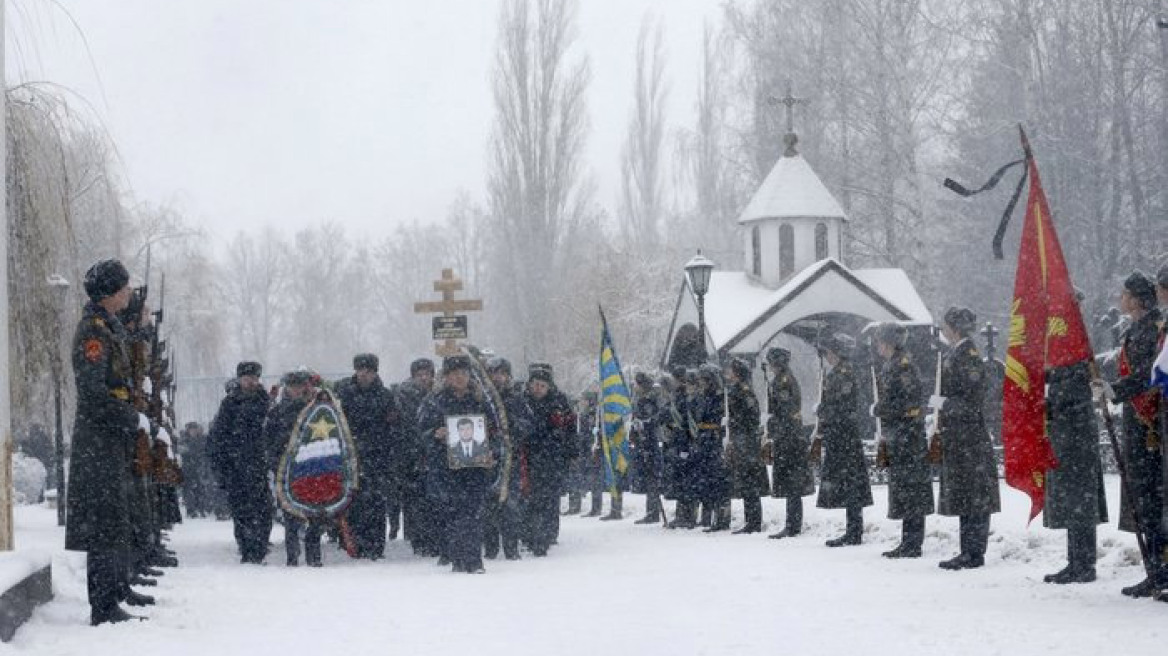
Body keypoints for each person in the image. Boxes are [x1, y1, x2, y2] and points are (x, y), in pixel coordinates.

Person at [65, 259, 146, 626]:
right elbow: (94, 395)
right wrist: (132, 417)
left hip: (110, 439)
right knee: (102, 523)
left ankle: (115, 590)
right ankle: (103, 605)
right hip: (97, 442)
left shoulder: (109, 328)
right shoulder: (93, 333)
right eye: (125, 288)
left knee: (116, 517)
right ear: (111, 292)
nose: (129, 294)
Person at [1104, 271, 1165, 597]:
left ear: (1139, 298)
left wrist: (1117, 390)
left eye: (1126, 294)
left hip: (1150, 423)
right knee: (1144, 500)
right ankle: (1154, 569)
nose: (1121, 298)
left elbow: (1149, 374)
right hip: (1137, 420)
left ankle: (1162, 569)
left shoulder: (1154, 329)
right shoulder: (1137, 329)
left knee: (1154, 499)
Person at [1044, 289, 1108, 584]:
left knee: (1080, 501)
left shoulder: (1077, 342)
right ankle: (1076, 561)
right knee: (1073, 500)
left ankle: (1084, 564)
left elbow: (1075, 386)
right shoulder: (1063, 345)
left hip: (1076, 432)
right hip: (1066, 432)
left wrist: (1050, 389)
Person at [933, 307, 1000, 570]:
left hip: (969, 435)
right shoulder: (956, 353)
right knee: (965, 493)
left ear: (955, 328)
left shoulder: (968, 356)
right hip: (959, 435)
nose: (943, 330)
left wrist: (945, 403)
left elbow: (972, 401)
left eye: (946, 326)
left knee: (974, 495)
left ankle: (974, 553)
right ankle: (967, 550)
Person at [417, 355, 498, 573]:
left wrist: (492, 453)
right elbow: (420, 433)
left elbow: (496, 432)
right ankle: (458, 559)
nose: (459, 378)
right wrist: (435, 435)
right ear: (446, 377)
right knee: (453, 513)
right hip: (446, 468)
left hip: (476, 468)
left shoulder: (482, 400)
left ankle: (474, 559)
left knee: (474, 512)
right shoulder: (434, 401)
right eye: (454, 374)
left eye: (463, 373)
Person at [872, 322, 935, 559]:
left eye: (880, 340)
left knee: (912, 490)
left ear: (888, 342)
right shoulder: (893, 365)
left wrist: (882, 409)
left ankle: (913, 543)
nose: (878, 345)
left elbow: (908, 403)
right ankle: (908, 541)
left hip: (908, 435)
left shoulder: (903, 367)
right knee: (905, 490)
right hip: (900, 435)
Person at [335, 353, 399, 560]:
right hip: (351, 457)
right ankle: (353, 544)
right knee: (352, 503)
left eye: (368, 371)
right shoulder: (344, 394)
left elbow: (394, 428)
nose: (364, 374)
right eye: (360, 370)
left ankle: (375, 546)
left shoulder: (385, 396)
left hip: (377, 458)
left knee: (376, 505)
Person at [208, 361, 273, 564]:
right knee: (241, 510)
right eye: (247, 378)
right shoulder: (229, 404)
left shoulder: (266, 402)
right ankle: (247, 548)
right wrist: (223, 466)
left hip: (260, 465)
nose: (251, 382)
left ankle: (260, 546)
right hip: (236, 467)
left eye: (254, 378)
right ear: (239, 379)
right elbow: (218, 437)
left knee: (263, 509)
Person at [812, 333, 873, 547]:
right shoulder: (838, 372)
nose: (827, 356)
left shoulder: (844, 373)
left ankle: (854, 531)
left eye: (828, 352)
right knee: (848, 484)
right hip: (840, 435)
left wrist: (824, 410)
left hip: (845, 434)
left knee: (851, 484)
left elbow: (844, 406)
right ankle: (852, 529)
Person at [264, 369, 326, 566]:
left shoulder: (316, 410)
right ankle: (292, 555)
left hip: (311, 466)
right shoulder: (276, 412)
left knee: (315, 513)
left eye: (300, 386)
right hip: (287, 468)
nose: (297, 390)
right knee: (290, 513)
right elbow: (269, 441)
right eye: (293, 386)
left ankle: (313, 555)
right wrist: (276, 462)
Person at [523, 363, 578, 554]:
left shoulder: (560, 402)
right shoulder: (522, 402)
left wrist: (572, 452)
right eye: (535, 384)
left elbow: (571, 430)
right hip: (528, 458)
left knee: (549, 499)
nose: (537, 389)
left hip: (552, 458)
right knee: (531, 499)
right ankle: (531, 534)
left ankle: (547, 534)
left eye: (542, 385)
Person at [484, 357, 531, 560]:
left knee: (510, 505)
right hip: (486, 459)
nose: (498, 378)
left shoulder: (516, 399)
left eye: (501, 373)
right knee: (487, 505)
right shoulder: (482, 399)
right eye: (494, 373)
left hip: (510, 458)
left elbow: (528, 425)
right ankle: (491, 547)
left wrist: (511, 425)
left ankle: (511, 547)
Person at [765, 347, 814, 539]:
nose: (769, 366)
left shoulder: (784, 381)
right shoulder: (781, 380)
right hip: (786, 435)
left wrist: (772, 422)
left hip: (789, 436)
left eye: (771, 362)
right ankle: (792, 523)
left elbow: (785, 410)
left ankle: (793, 525)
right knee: (790, 482)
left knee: (792, 483)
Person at [396, 358, 436, 556]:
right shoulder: (403, 396)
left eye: (427, 373)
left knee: (433, 500)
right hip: (411, 455)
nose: (423, 377)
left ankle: (432, 539)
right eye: (419, 374)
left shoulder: (438, 395)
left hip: (433, 454)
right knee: (415, 501)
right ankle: (418, 539)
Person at [724, 358, 768, 534]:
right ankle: (750, 520)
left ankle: (754, 521)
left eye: (731, 370)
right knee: (745, 481)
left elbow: (751, 416)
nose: (728, 373)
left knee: (750, 481)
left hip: (746, 440)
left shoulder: (743, 391)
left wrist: (734, 421)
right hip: (741, 439)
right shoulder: (736, 390)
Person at [693, 364, 731, 533]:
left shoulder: (720, 397)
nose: (700, 383)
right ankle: (708, 516)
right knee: (707, 479)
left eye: (703, 379)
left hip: (715, 440)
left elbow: (719, 419)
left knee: (719, 480)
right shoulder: (704, 396)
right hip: (704, 440)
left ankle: (721, 518)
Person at [631, 372, 665, 525]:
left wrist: (643, 424)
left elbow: (652, 420)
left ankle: (653, 512)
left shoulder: (649, 400)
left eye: (637, 384)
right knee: (649, 477)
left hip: (651, 441)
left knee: (652, 476)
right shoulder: (640, 399)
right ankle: (650, 511)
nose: (635, 387)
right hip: (643, 441)